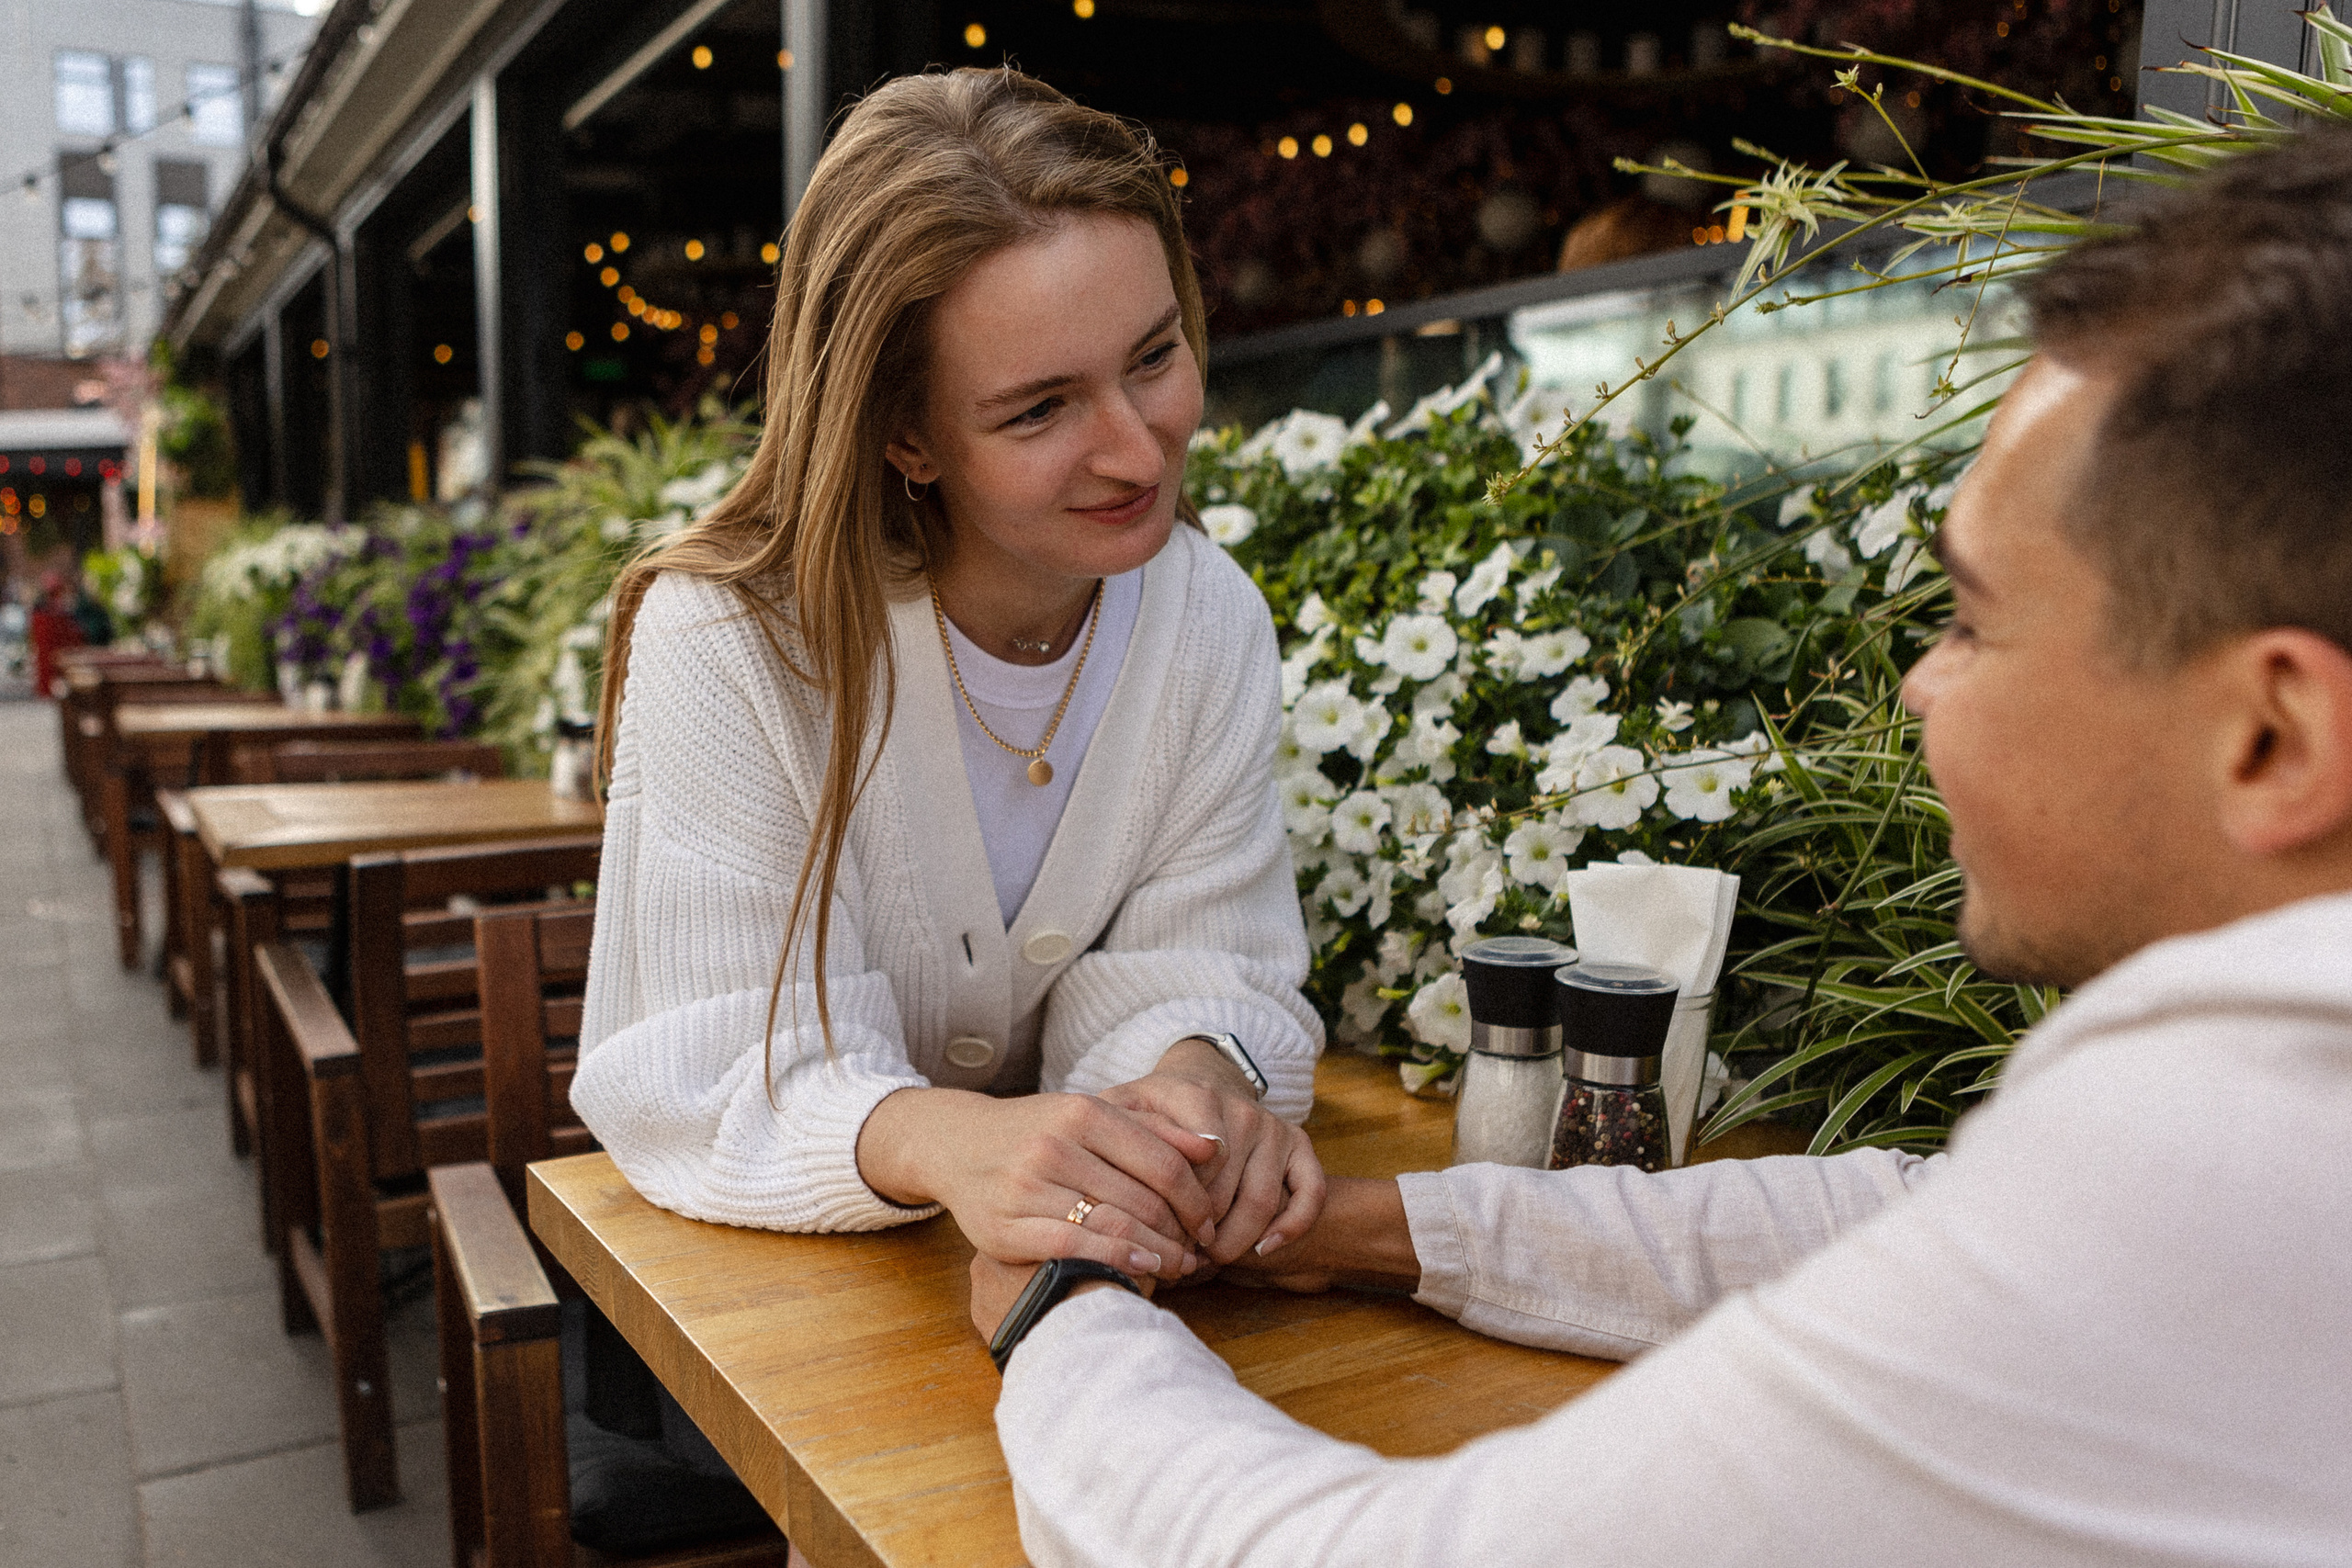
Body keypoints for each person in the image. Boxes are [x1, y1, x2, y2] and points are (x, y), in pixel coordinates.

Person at [973, 126, 2352, 1565]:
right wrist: (1358, 1231)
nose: (1919, 685)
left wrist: (1063, 1312)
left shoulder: (2238, 1155)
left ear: (2274, 737)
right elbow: (1904, 1219)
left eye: (1973, 619)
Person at [571, 66, 1325, 1299]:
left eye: (1154, 355)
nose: (1138, 448)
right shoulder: (735, 641)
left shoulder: (1206, 619)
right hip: (756, 1315)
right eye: (1040, 410)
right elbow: (710, 1069)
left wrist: (1195, 1092)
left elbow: (1202, 964)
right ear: (904, 435)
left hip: (1085, 1281)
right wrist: (953, 1142)